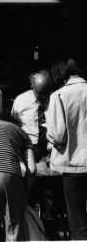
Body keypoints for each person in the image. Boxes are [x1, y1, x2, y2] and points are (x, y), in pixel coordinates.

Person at [46, 57, 87, 240]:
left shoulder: (60, 95)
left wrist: (49, 138)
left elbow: (58, 135)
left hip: (74, 165)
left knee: (77, 220)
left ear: (60, 78)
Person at [11, 70, 52, 163]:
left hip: (51, 148)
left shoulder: (54, 99)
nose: (43, 95)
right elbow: (14, 125)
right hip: (28, 147)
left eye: (45, 92)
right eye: (40, 92)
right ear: (32, 86)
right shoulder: (21, 100)